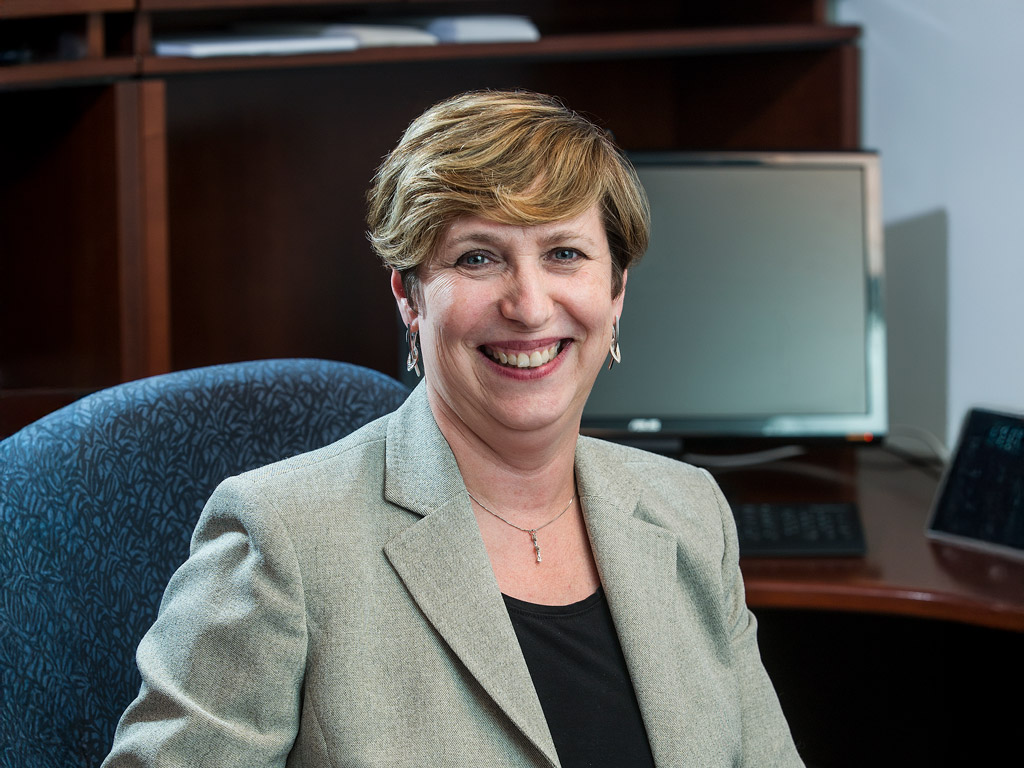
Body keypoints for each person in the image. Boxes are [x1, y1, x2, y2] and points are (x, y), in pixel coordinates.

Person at [102, 90, 804, 767]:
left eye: (565, 254)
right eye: (478, 257)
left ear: (615, 291)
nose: (530, 308)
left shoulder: (689, 514)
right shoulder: (284, 538)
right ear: (409, 296)